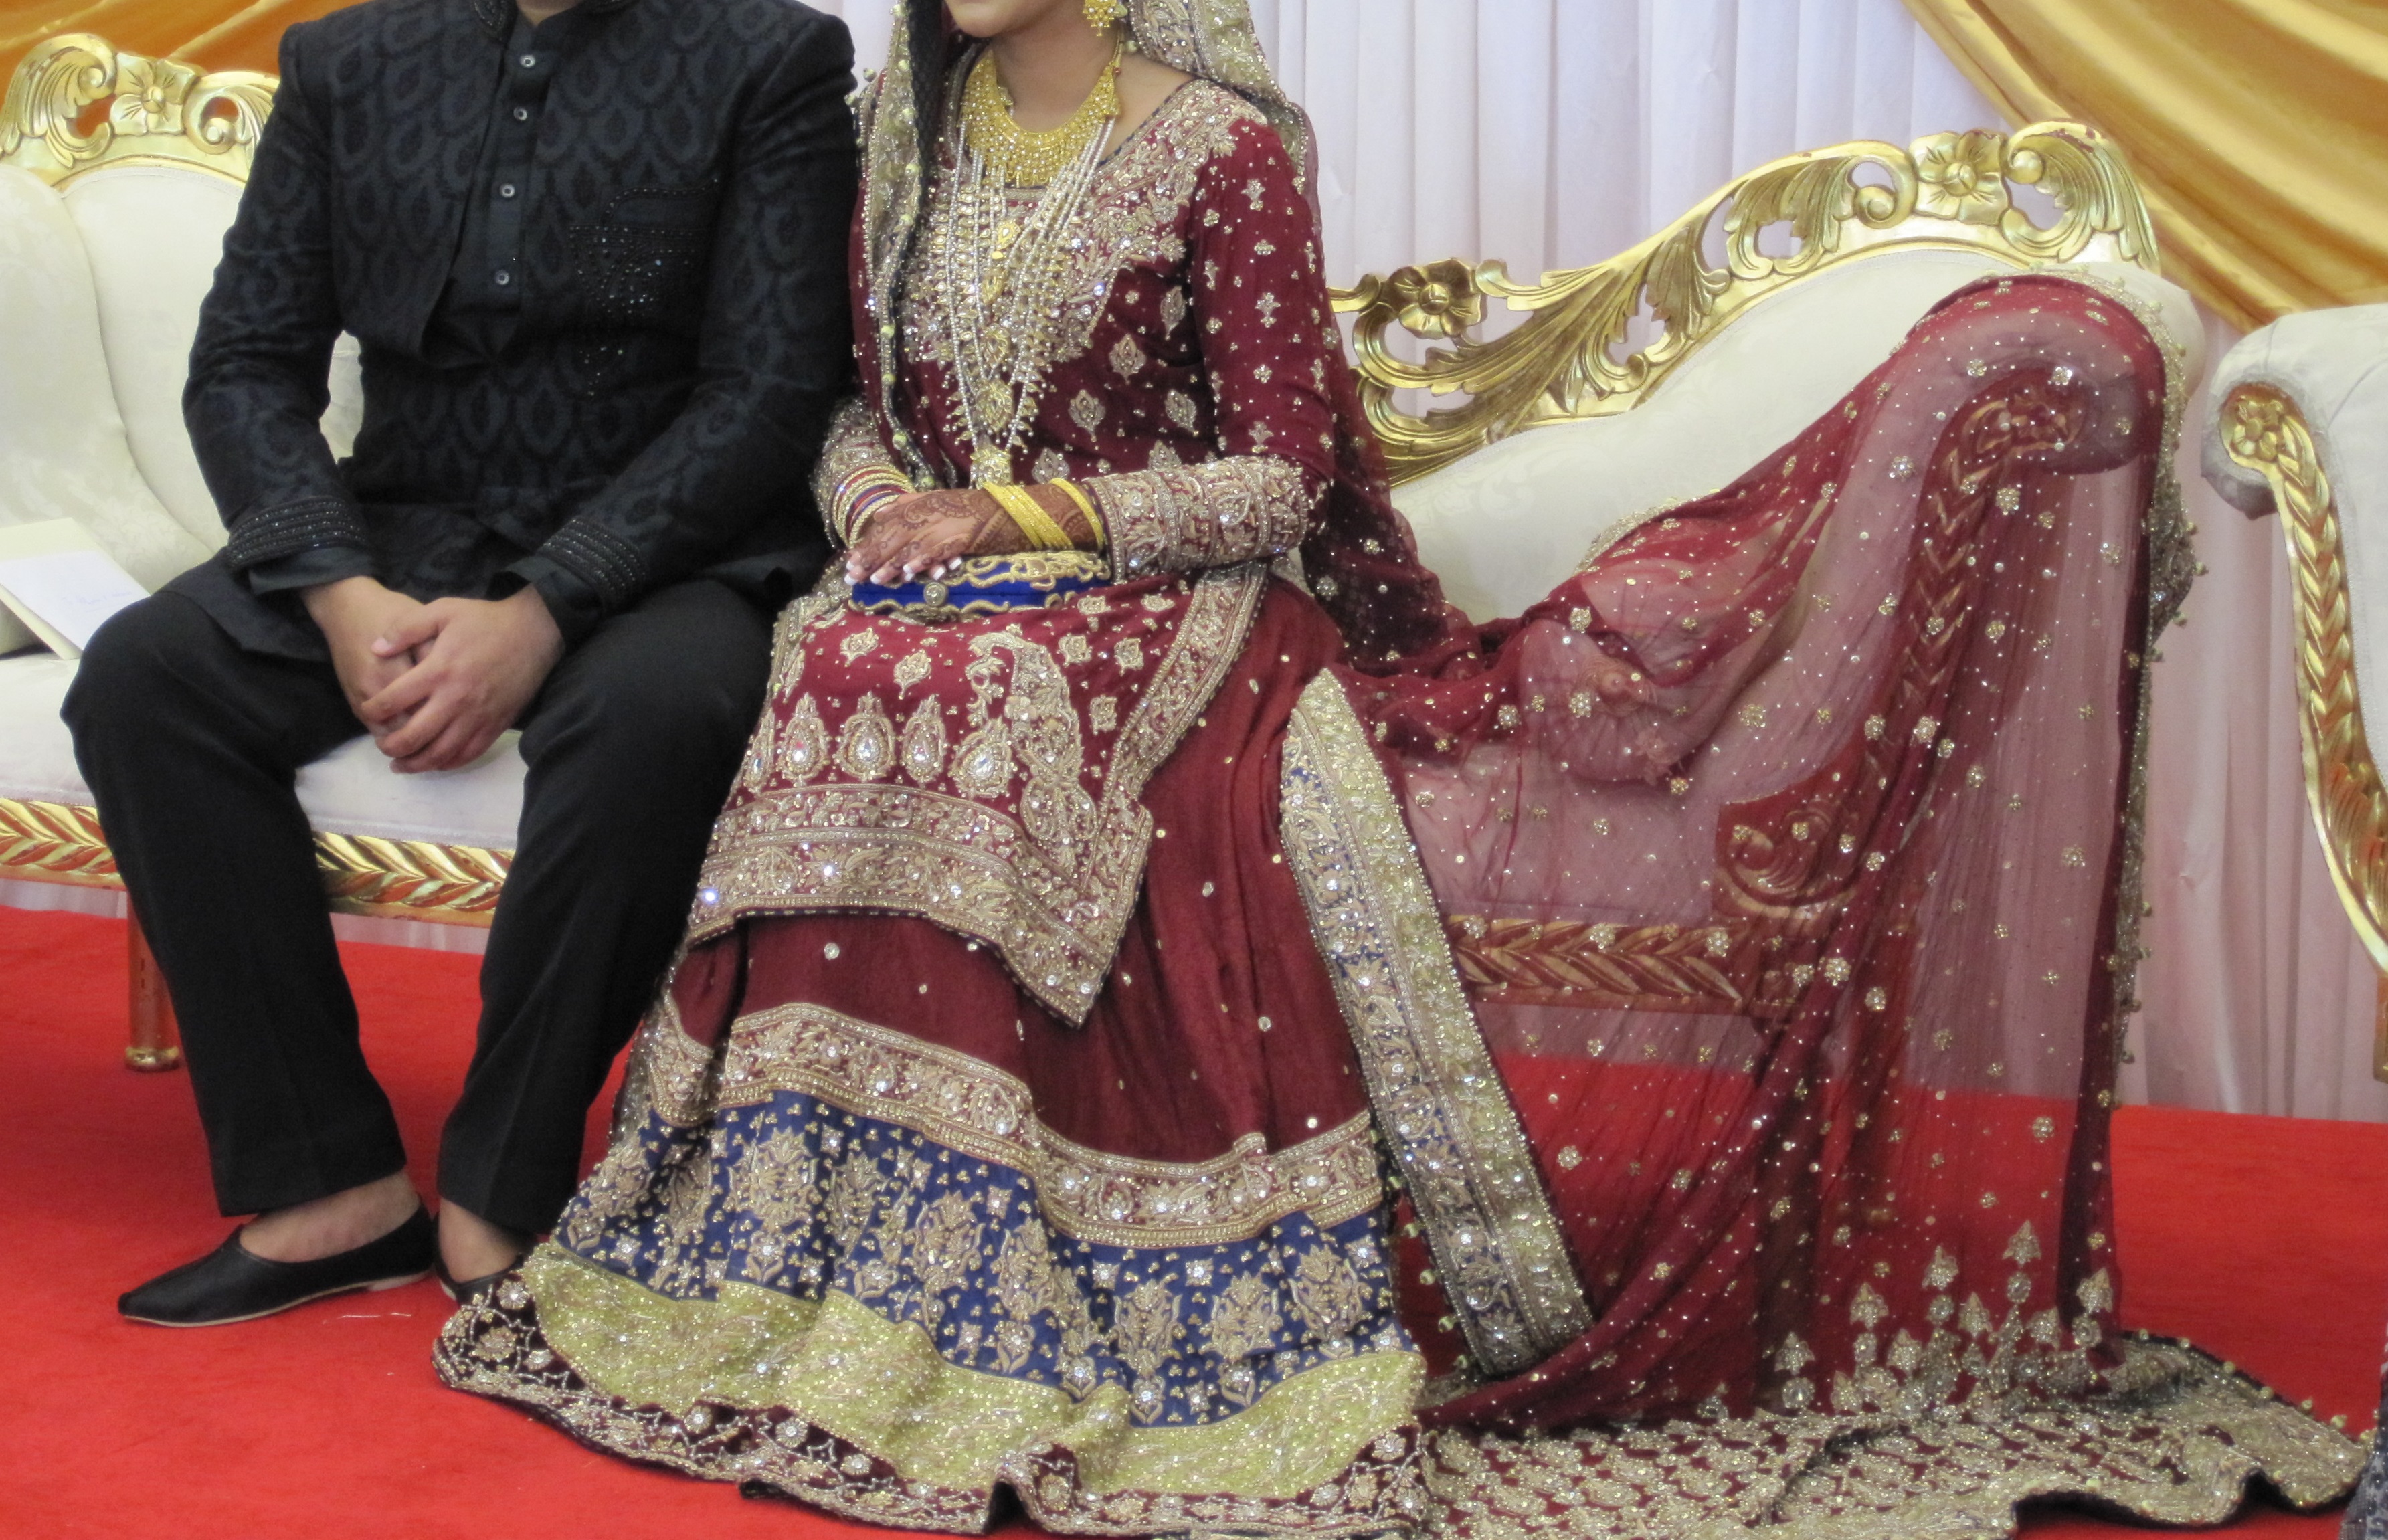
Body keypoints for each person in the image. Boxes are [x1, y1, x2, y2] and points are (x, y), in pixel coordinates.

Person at [438, 0, 2362, 1533]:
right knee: (850, 666)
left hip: (1182, 602)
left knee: (1009, 724)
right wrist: (885, 514)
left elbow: (1280, 473)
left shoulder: (1220, 151)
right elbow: (846, 403)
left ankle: (1068, 1280)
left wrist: (1028, 521)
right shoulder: (900, 141)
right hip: (950, 585)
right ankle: (823, 1254)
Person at [63, 0, 859, 1326]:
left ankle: (500, 1187)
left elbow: (769, 393)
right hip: (404, 528)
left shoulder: (766, 57)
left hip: (666, 545)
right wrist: (338, 591)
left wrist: (548, 606)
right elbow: (246, 366)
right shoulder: (347, 60)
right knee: (148, 679)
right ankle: (332, 1187)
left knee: (655, 714)